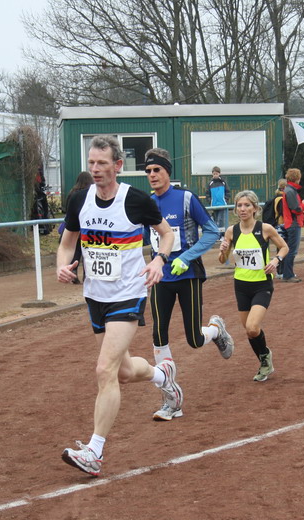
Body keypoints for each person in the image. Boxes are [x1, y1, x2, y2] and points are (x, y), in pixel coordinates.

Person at [56, 135, 181, 477]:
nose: (95, 169)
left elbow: (167, 234)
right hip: (95, 296)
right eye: (91, 163)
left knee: (104, 370)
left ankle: (94, 451)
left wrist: (158, 260)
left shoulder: (136, 200)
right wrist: (62, 265)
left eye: (102, 163)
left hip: (128, 294)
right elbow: (67, 243)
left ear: (118, 165)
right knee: (123, 372)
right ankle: (163, 375)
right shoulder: (79, 200)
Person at [143, 147, 234, 421]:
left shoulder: (185, 198)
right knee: (158, 334)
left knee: (194, 339)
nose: (152, 175)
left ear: (167, 171)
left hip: (188, 275)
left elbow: (211, 232)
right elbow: (145, 239)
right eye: (148, 171)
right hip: (161, 276)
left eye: (157, 170)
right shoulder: (147, 204)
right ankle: (171, 398)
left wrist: (186, 257)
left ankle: (216, 330)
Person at [218, 190, 289, 382]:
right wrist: (223, 251)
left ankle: (264, 360)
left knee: (252, 327)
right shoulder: (232, 231)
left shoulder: (265, 229)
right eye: (239, 205)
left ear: (255, 208)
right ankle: (264, 358)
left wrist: (276, 260)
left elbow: (284, 247)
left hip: (261, 284)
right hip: (241, 285)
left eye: (247, 205)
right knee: (251, 332)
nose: (243, 209)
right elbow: (222, 259)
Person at [58, 171, 95, 282]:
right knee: (86, 251)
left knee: (76, 249)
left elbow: (67, 209)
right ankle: (86, 274)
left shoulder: (72, 193)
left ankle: (73, 271)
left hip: (73, 225)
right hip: (85, 226)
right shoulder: (89, 194)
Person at [280, 168, 304, 282]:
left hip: (291, 223)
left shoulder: (289, 190)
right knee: (292, 250)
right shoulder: (291, 191)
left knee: (289, 249)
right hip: (293, 223)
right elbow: (296, 209)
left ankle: (286, 273)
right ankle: (288, 275)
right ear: (298, 178)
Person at [208, 166, 230, 236]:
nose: (215, 175)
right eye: (214, 174)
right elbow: (207, 193)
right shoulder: (210, 183)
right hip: (214, 205)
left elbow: (227, 192)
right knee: (215, 220)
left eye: (216, 174)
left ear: (219, 174)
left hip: (222, 204)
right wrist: (210, 201)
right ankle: (216, 235)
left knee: (221, 220)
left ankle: (222, 235)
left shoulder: (223, 182)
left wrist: (225, 200)